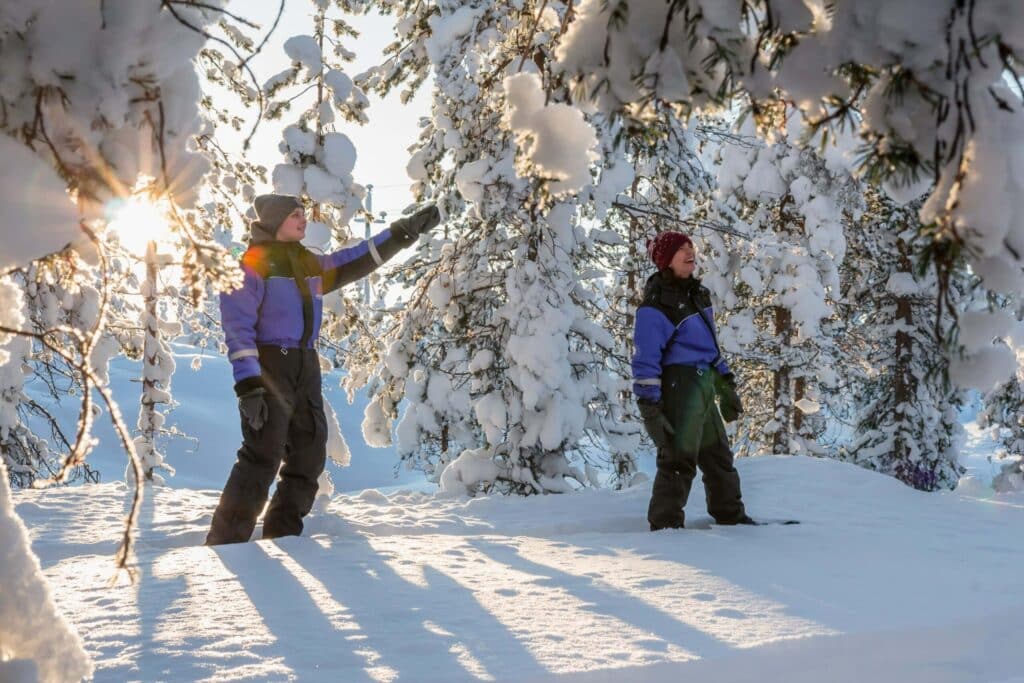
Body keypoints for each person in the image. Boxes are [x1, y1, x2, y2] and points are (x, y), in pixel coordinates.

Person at [206, 194, 440, 545]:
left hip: (305, 364)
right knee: (262, 456)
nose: (303, 219)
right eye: (294, 215)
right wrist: (249, 386)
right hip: (271, 366)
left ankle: (283, 535)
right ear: (274, 222)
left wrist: (403, 233)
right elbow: (237, 329)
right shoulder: (251, 266)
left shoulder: (308, 264)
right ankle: (225, 543)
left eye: (303, 213)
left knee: (310, 453)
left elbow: (358, 259)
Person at [631, 231, 753, 531]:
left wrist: (726, 385)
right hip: (679, 385)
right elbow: (645, 359)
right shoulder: (657, 304)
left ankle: (730, 517)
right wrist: (649, 406)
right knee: (678, 459)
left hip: (703, 384)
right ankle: (666, 527)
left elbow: (710, 349)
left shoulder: (697, 296)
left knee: (718, 458)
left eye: (691, 246)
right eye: (681, 248)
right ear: (665, 260)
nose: (690, 252)